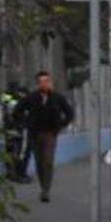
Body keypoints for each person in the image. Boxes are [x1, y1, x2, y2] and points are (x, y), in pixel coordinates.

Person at [14, 71, 74, 203]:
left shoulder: (57, 98)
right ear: (37, 84)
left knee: (48, 161)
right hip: (35, 134)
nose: (44, 84)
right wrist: (26, 123)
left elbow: (69, 113)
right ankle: (43, 187)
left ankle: (46, 191)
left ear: (50, 82)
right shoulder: (31, 98)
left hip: (50, 134)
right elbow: (17, 111)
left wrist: (61, 125)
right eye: (41, 81)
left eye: (46, 81)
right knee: (39, 163)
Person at [0, 83, 31, 183]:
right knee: (21, 150)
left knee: (11, 148)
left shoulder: (9, 94)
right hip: (18, 126)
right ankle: (19, 174)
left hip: (11, 126)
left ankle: (12, 173)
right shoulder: (9, 94)